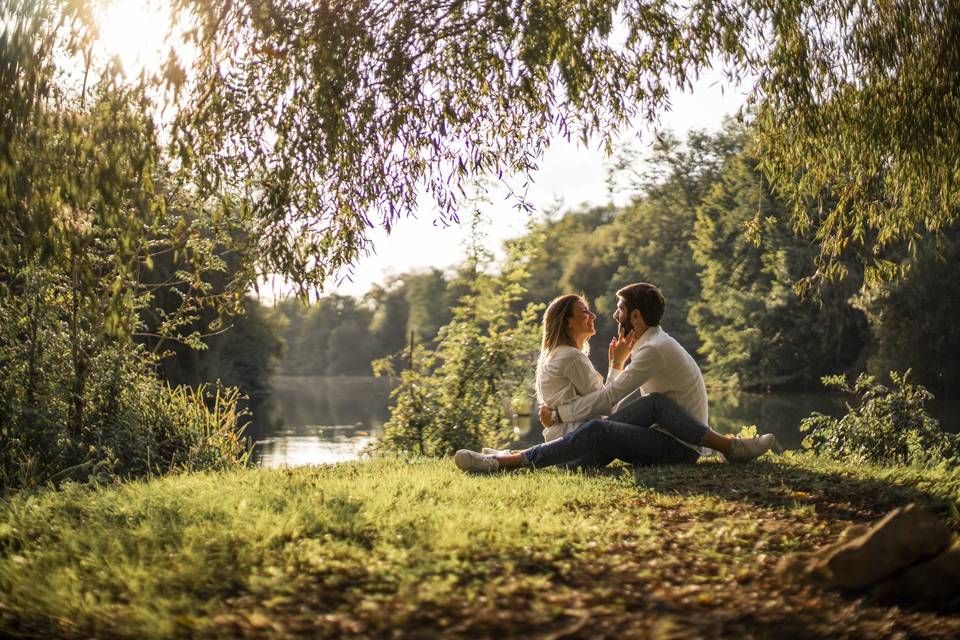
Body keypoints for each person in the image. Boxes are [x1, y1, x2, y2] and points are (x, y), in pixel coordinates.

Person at [455, 283, 775, 473]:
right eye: (587, 312)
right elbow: (608, 403)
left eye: (619, 309)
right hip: (609, 443)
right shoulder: (650, 344)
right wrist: (617, 364)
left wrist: (559, 413)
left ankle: (508, 460)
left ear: (635, 316)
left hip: (675, 446)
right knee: (649, 406)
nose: (611, 316)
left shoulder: (652, 349)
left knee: (640, 409)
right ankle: (730, 447)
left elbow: (606, 402)